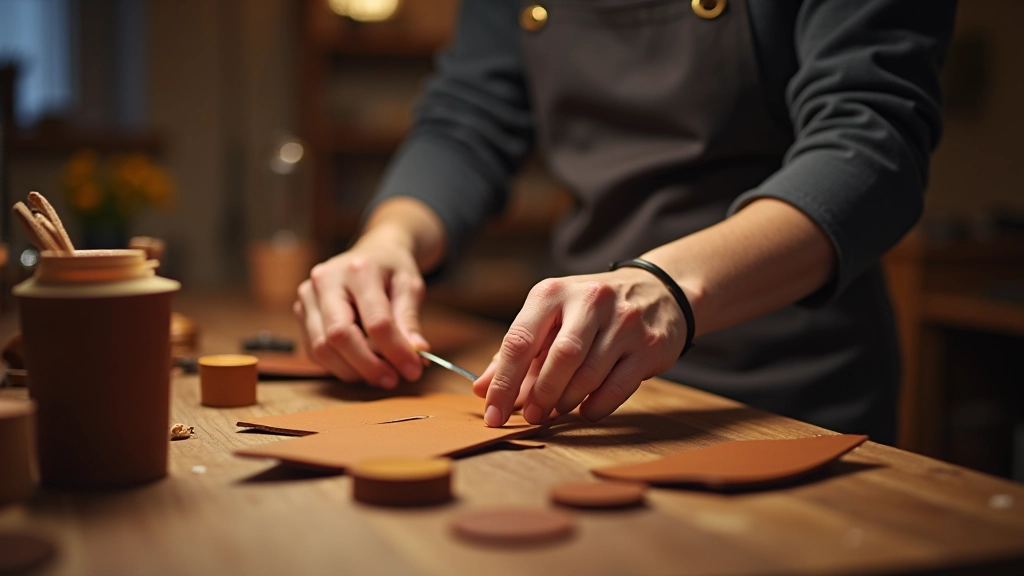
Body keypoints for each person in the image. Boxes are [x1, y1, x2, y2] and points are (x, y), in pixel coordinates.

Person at [295, 0, 957, 445]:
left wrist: (668, 288)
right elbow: (466, 121)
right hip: (573, 398)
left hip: (784, 395)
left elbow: (871, 144)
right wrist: (390, 239)